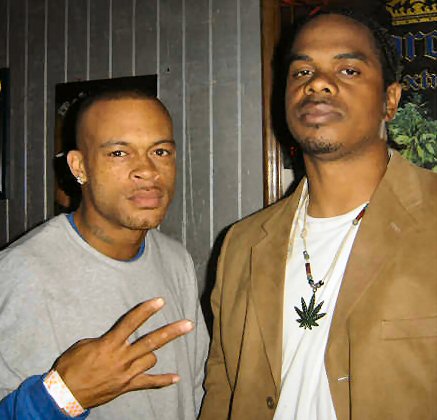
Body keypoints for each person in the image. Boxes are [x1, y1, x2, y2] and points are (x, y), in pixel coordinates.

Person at [200, 8, 437, 420]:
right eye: (302, 72)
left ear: (390, 100)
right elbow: (222, 390)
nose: (317, 83)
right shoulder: (241, 244)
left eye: (348, 70)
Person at [0, 89, 209, 419]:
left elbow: (197, 388)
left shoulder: (176, 260)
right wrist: (62, 397)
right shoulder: (20, 272)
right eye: (119, 153)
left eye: (160, 151)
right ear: (79, 166)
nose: (148, 170)